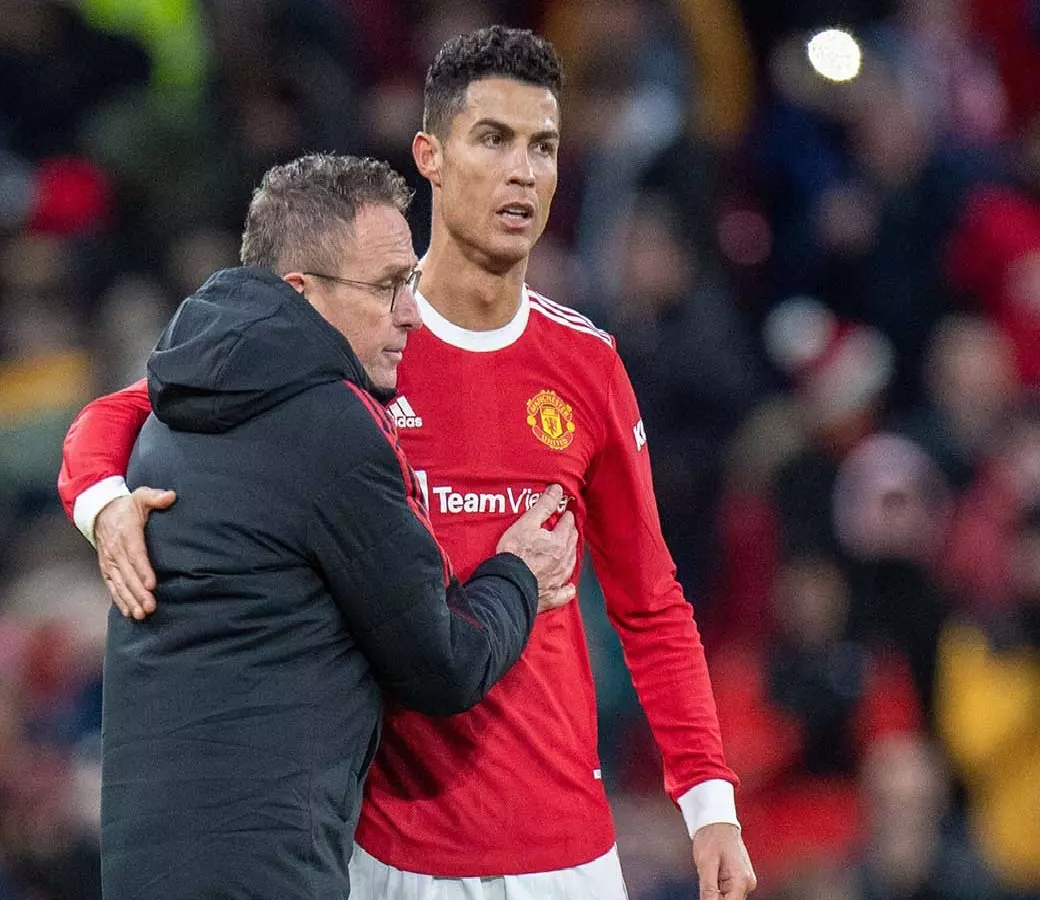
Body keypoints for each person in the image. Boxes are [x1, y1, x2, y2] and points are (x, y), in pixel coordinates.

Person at [59, 27, 757, 900]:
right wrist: (104, 501)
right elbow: (126, 408)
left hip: (564, 850)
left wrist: (709, 802)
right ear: (430, 156)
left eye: (542, 147)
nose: (522, 173)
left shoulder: (587, 364)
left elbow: (650, 602)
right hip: (386, 850)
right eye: (493, 139)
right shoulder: (358, 340)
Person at [88, 153, 579, 900]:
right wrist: (519, 575)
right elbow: (444, 662)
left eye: (410, 282)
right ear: (301, 292)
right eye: (387, 287)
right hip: (260, 874)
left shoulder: (172, 409)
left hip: (145, 866)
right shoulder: (327, 426)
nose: (410, 312)